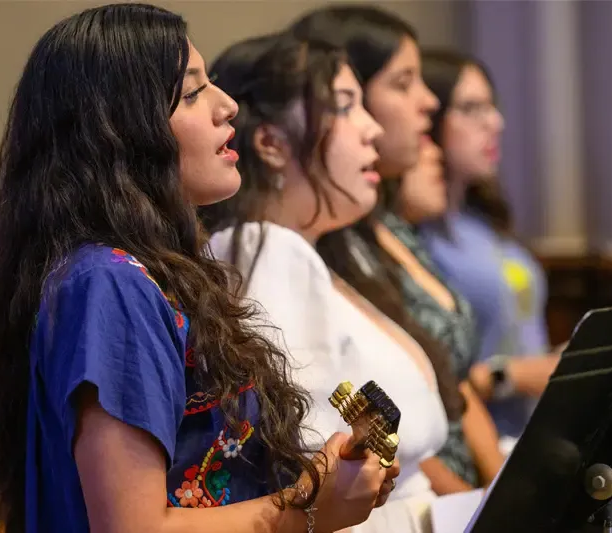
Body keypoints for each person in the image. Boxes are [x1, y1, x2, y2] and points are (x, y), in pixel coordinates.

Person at [0, 5, 397, 533]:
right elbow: (135, 526)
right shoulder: (110, 283)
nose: (227, 105)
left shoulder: (154, 270)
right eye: (191, 93)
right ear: (119, 129)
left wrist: (322, 479)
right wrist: (310, 507)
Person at [202, 31, 456, 533]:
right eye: (343, 107)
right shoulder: (264, 252)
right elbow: (318, 464)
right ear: (271, 143)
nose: (371, 130)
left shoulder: (308, 256)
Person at [290, 6, 506, 484]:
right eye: (404, 82)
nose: (429, 102)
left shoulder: (390, 226)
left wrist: (498, 485)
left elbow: (452, 379)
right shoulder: (315, 244)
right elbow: (371, 410)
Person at [418, 48, 560, 438]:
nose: (495, 122)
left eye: (491, 106)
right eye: (471, 108)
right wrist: (506, 375)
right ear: (427, 118)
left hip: (532, 431)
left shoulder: (480, 221)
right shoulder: (413, 237)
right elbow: (434, 376)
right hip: (479, 442)